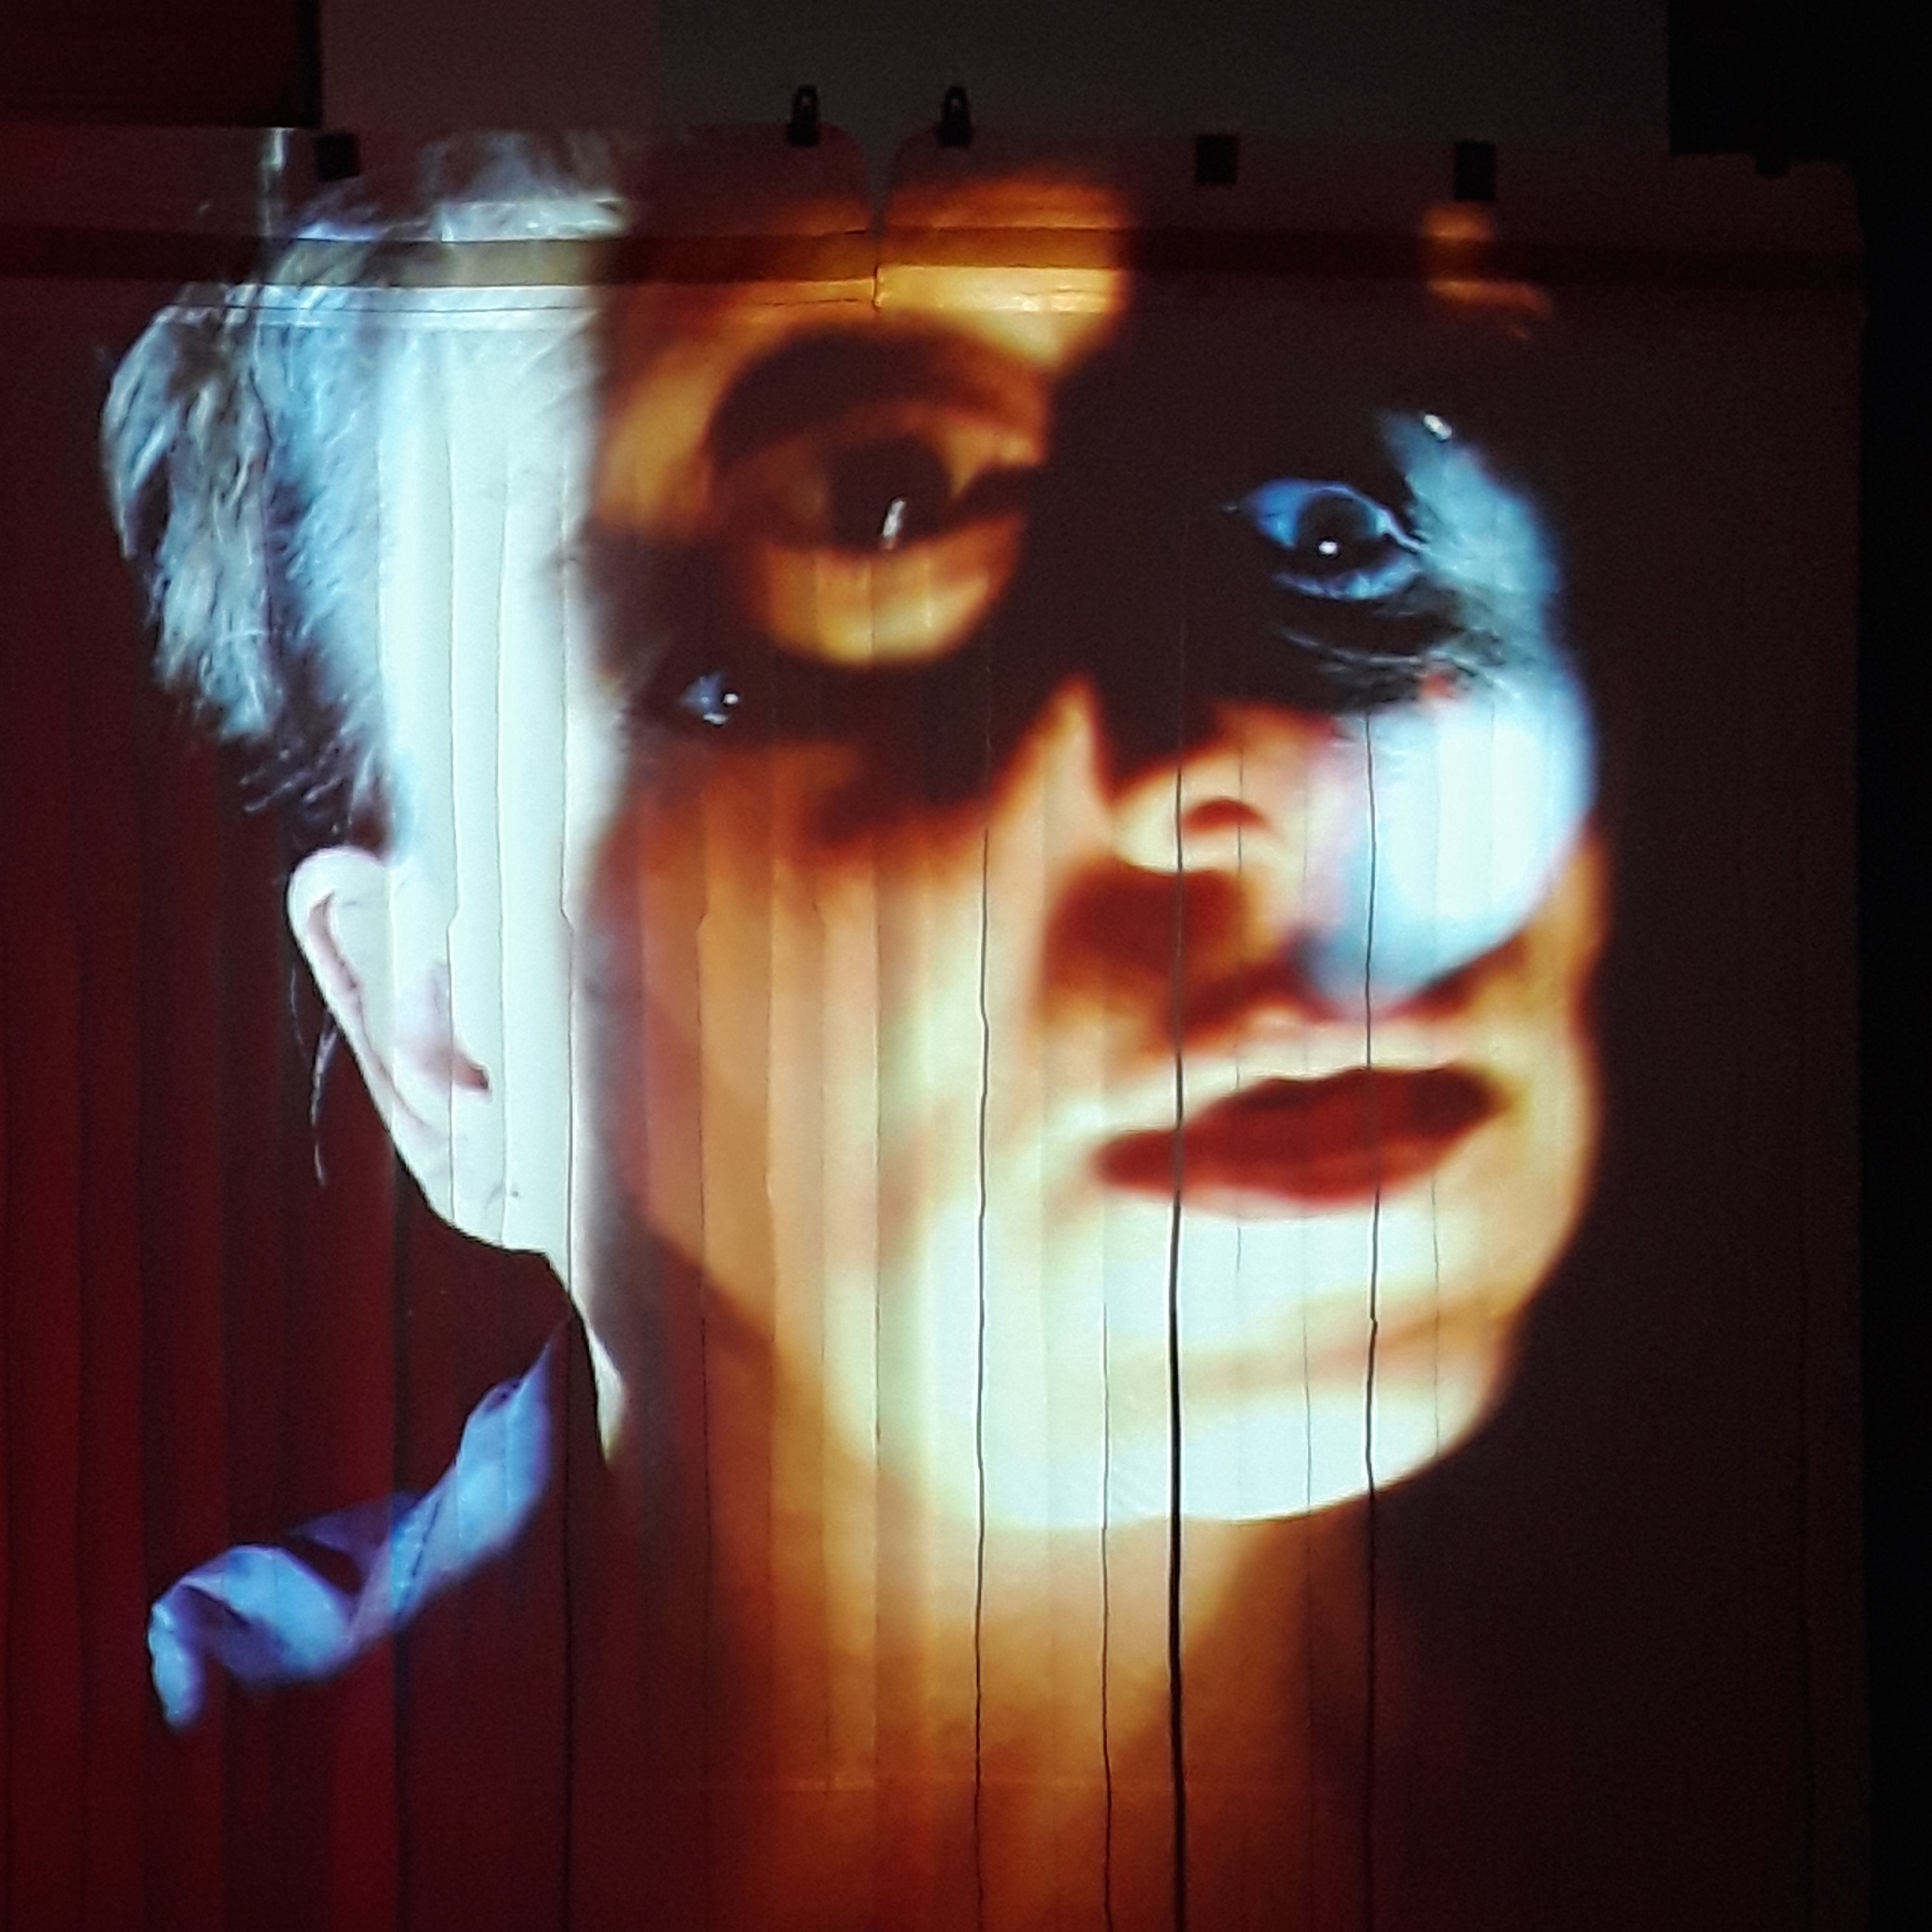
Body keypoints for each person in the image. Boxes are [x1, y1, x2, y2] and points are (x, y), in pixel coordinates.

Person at [103, 133, 1605, 1928]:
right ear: (446, 1039)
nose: (1277, 770)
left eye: (1336, 526)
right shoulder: (184, 1831)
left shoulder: (1695, 1767)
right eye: (871, 514)